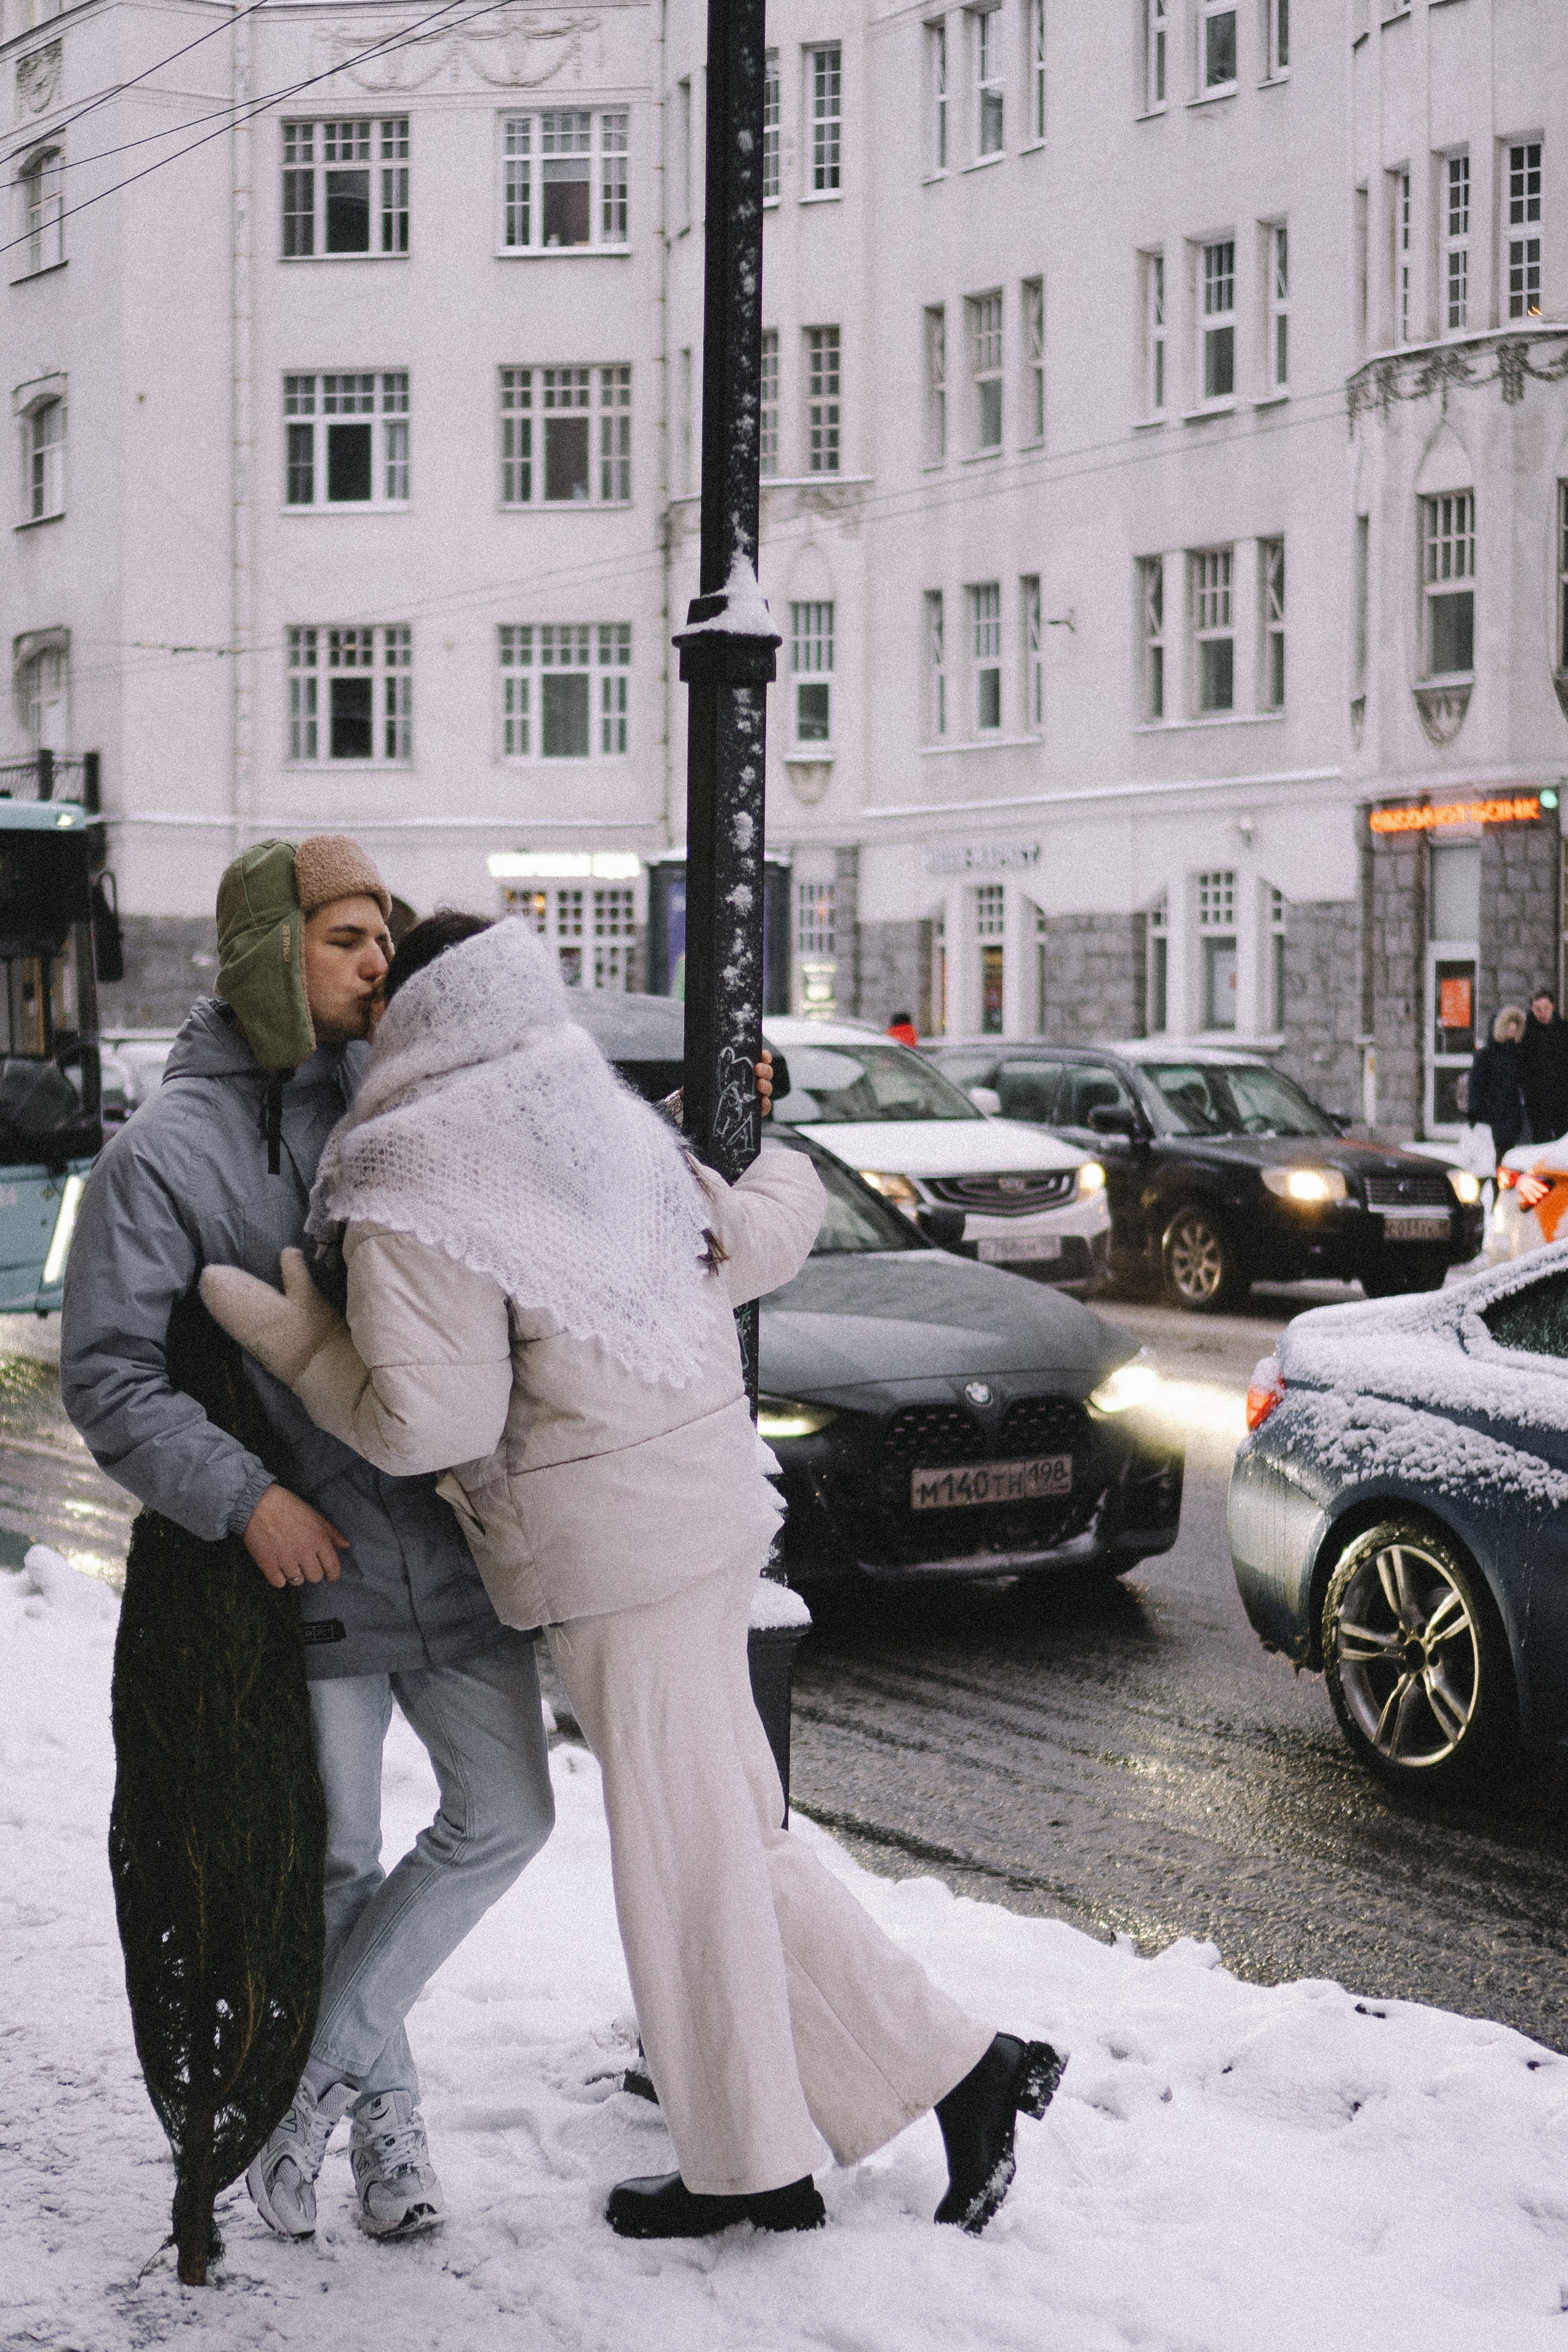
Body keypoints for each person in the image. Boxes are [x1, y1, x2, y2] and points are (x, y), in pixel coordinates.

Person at [201, 913, 1066, 2244]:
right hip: (707, 1514)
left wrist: (311, 1349)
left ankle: (798, 2149)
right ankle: (931, 2086)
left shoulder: (409, 1163)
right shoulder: (580, 1110)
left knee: (689, 1861)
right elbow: (740, 1246)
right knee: (729, 1847)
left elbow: (431, 1422)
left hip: (609, 1545)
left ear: (412, 1021)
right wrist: (758, 1156)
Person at [59, 841, 556, 2246]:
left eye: (381, 938)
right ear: (273, 949)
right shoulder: (162, 1152)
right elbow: (109, 1375)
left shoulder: (402, 1100)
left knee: (508, 1811)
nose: (374, 962)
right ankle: (384, 2130)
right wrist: (247, 1500)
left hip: (448, 1547)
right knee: (340, 1853)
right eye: (344, 937)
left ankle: (315, 2085)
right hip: (312, 1566)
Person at [1467, 1006, 1527, 1162]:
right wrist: (1475, 1115)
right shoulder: (1486, 1055)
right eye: (1509, 1029)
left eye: (1515, 1030)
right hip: (1491, 1118)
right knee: (1491, 1161)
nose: (1511, 1034)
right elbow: (1476, 1086)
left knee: (1507, 1160)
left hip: (1510, 1118)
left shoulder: (1518, 1054)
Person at [1521, 987, 1568, 1144]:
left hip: (1562, 1098)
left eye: (1547, 1008)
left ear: (1553, 1007)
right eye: (1538, 1009)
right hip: (1537, 1100)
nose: (1543, 1013)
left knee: (1563, 1141)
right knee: (1541, 1141)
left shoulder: (1563, 1030)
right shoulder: (1526, 1034)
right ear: (1531, 1009)